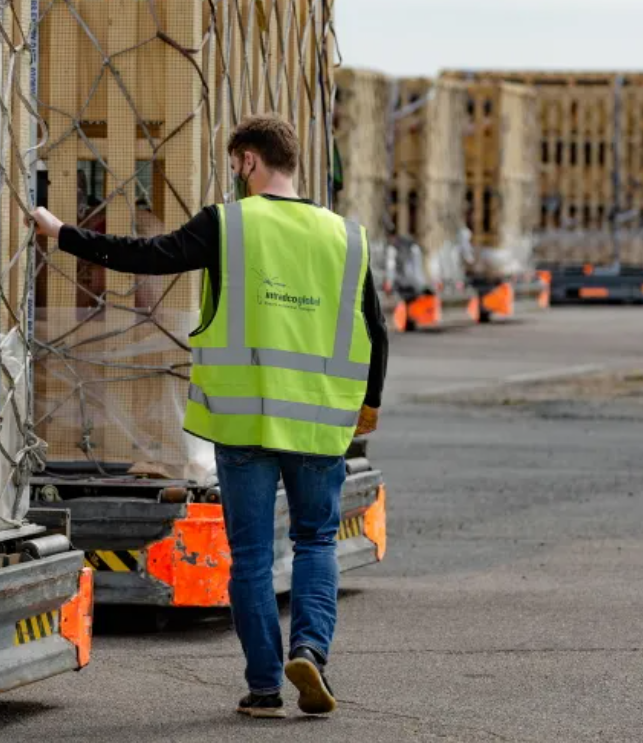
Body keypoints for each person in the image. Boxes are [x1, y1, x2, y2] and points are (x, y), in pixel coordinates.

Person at [30, 114, 389, 719]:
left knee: (250, 557)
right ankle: (310, 650)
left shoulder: (229, 224)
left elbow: (149, 257)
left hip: (243, 421)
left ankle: (266, 688)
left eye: (235, 166)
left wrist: (63, 234)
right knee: (315, 541)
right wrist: (369, 406)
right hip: (320, 422)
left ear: (248, 160)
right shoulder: (346, 236)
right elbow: (375, 330)